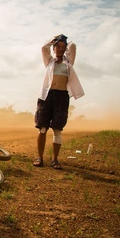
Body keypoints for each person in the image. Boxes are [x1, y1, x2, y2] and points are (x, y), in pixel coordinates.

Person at [33, 34, 84, 169]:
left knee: (57, 129)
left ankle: (55, 160)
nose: (60, 49)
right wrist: (53, 40)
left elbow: (73, 47)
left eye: (63, 47)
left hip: (61, 97)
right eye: (58, 47)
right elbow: (44, 48)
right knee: (42, 128)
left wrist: (65, 40)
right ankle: (40, 158)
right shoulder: (49, 61)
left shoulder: (69, 63)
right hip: (47, 96)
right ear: (54, 48)